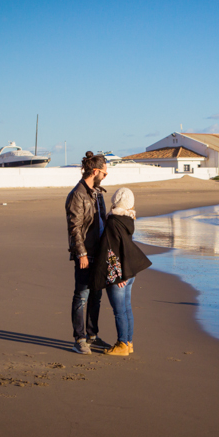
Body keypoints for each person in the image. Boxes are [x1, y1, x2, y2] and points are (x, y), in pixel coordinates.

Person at [92, 188, 152, 356]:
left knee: (119, 311)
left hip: (119, 273)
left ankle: (122, 345)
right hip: (129, 270)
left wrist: (119, 275)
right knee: (126, 309)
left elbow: (111, 249)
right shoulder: (129, 218)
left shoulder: (113, 221)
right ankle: (129, 342)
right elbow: (123, 247)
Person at [65, 151, 111, 354]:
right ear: (95, 171)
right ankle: (79, 339)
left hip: (99, 253)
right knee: (81, 296)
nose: (106, 176)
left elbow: (102, 222)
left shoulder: (97, 193)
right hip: (85, 254)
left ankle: (93, 336)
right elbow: (74, 227)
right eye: (105, 172)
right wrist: (81, 254)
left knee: (96, 295)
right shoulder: (78, 195)